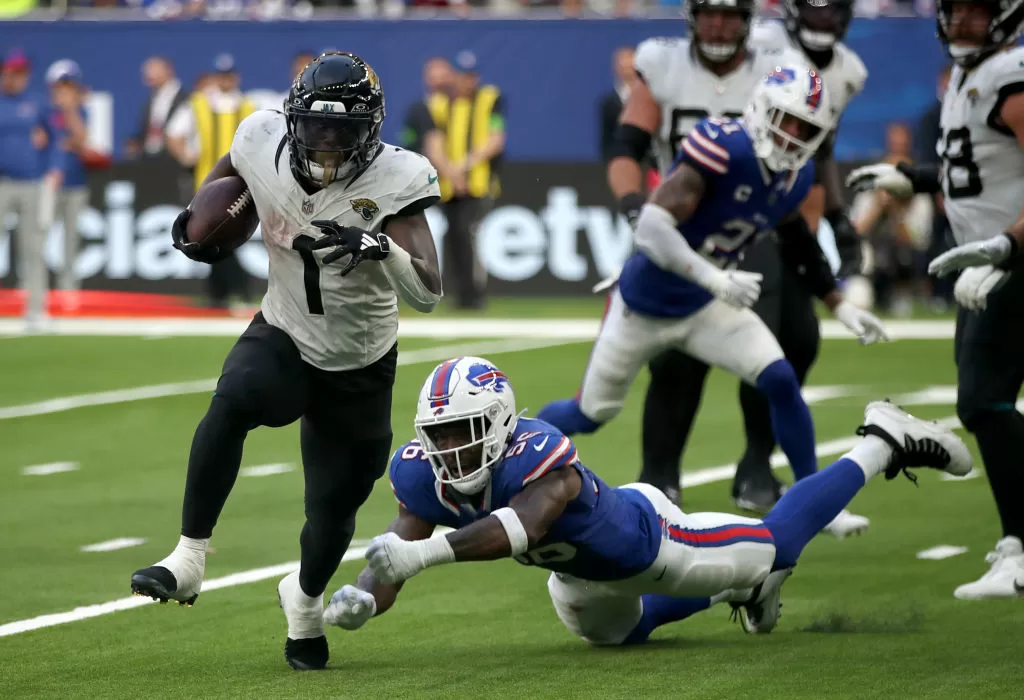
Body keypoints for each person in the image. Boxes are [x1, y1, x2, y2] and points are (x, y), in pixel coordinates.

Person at [129, 52, 444, 670]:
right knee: (234, 396)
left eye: (343, 132)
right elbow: (220, 190)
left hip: (359, 361)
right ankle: (189, 558)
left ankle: (303, 603)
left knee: (333, 510)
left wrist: (381, 248)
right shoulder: (259, 135)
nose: (327, 146)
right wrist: (197, 225)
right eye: (316, 129)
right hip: (284, 329)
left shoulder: (398, 177)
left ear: (370, 133)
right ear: (292, 119)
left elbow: (430, 292)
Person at [321, 356, 971, 646]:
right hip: (577, 580)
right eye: (439, 435)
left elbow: (518, 527)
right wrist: (365, 595)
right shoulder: (422, 476)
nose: (450, 448)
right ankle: (738, 593)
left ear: (500, 422)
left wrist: (423, 557)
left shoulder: (539, 452)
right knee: (621, 637)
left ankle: (883, 440)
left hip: (658, 544)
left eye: (463, 431)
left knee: (776, 544)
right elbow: (398, 549)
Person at [538, 67, 885, 530]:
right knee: (590, 413)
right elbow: (652, 227)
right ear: (762, 110)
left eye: (806, 128)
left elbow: (797, 238)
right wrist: (716, 279)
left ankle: (818, 504)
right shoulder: (725, 147)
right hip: (645, 304)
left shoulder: (794, 177)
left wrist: (839, 303)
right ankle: (520, 455)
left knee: (780, 378)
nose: (794, 136)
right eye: (787, 120)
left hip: (703, 304)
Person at [848, 0, 1024, 600]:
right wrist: (914, 177)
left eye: (976, 12)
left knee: (984, 403)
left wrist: (1007, 245)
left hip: (1009, 261)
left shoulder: (1008, 75)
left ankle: (1022, 545)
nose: (961, 23)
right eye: (955, 11)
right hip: (985, 261)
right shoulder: (972, 78)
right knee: (986, 402)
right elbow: (974, 164)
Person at [165, 54, 256, 309]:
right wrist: (185, 156)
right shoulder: (198, 104)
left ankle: (224, 293)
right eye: (222, 75)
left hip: (241, 185)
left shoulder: (249, 106)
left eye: (229, 75)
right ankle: (230, 291)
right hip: (209, 183)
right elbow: (173, 133)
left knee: (222, 237)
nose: (226, 80)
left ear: (235, 77)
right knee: (213, 238)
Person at [419, 50, 504, 310]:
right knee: (454, 237)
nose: (468, 82)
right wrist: (452, 174)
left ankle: (475, 294)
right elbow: (434, 143)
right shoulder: (441, 104)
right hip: (450, 184)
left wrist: (464, 166)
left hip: (477, 182)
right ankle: (459, 294)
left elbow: (495, 139)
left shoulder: (490, 99)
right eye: (463, 76)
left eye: (472, 76)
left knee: (469, 233)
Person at [0, 49, 61, 330]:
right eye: (13, 72)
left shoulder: (35, 104)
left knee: (33, 247)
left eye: (22, 73)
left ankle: (36, 310)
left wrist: (53, 167)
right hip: (2, 182)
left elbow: (54, 136)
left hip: (31, 183)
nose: (18, 78)